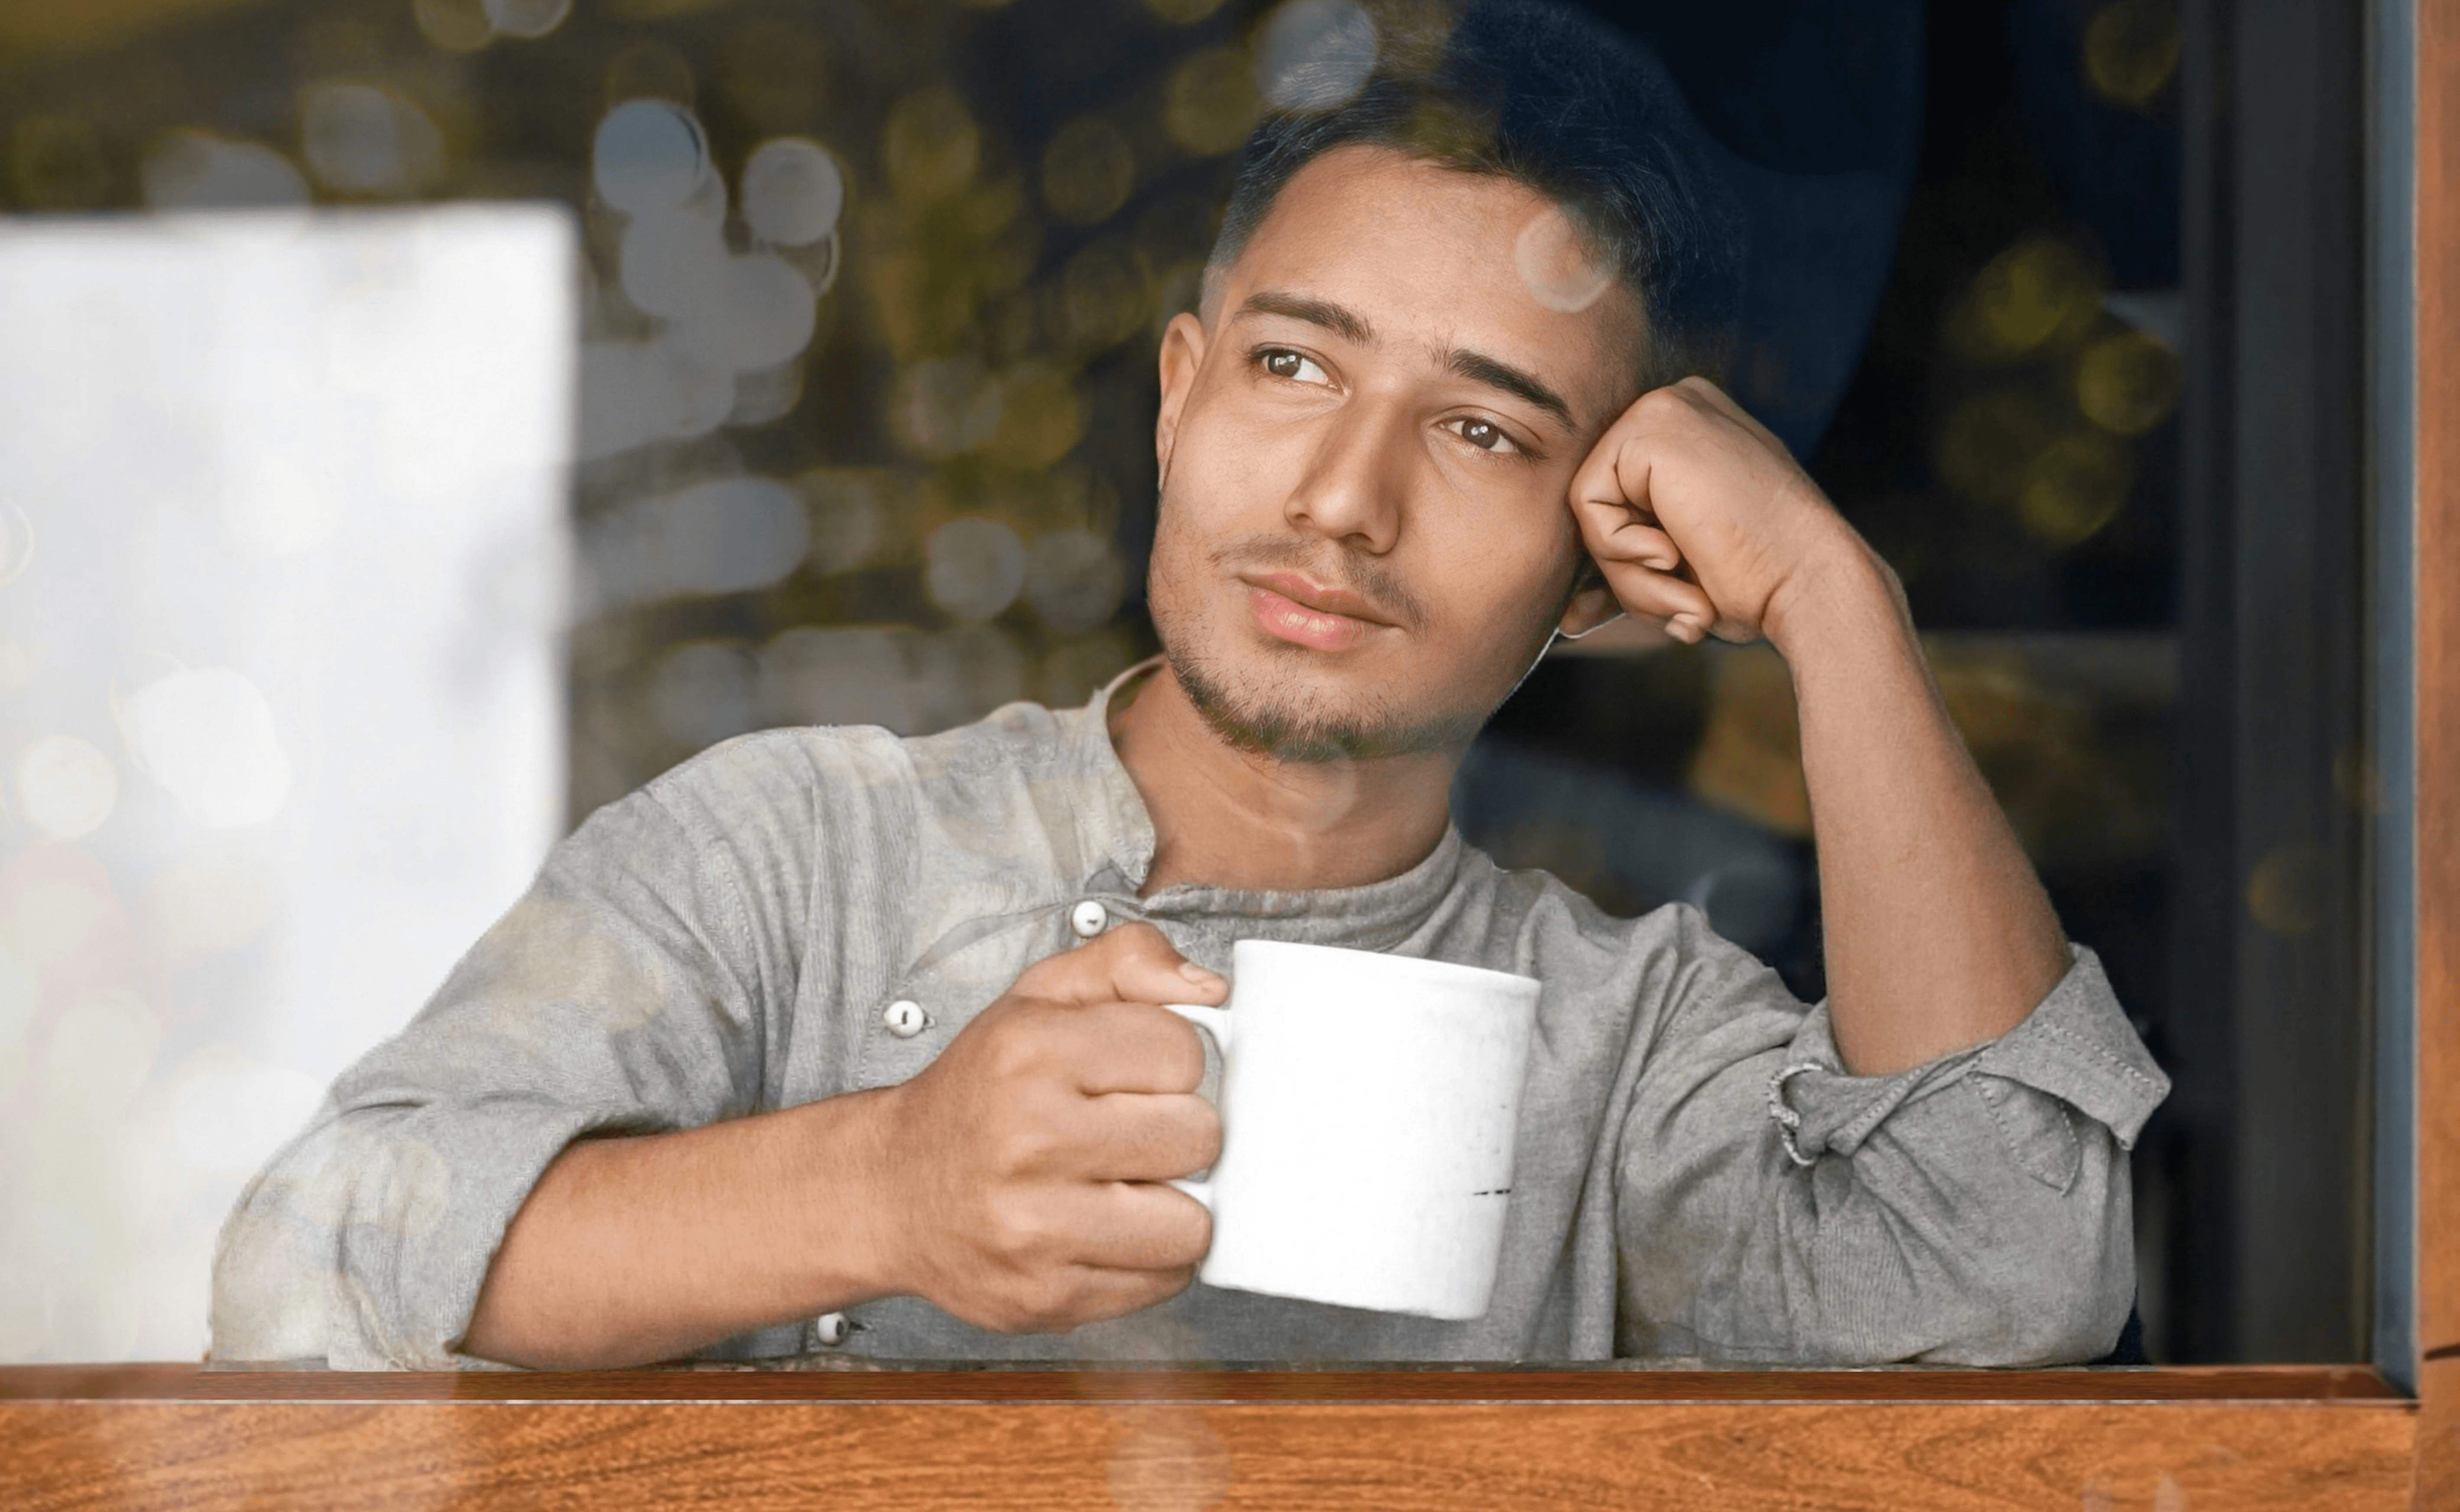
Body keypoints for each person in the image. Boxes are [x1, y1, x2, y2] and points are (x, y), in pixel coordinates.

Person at [210, 0, 2168, 1371]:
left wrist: (1838, 597)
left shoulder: (1622, 1041)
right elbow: (315, 1254)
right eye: (1292, 368)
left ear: (1597, 572)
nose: (1340, 498)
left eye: (1483, 436)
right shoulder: (793, 851)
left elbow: (2002, 1280)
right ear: (1178, 398)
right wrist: (886, 1182)